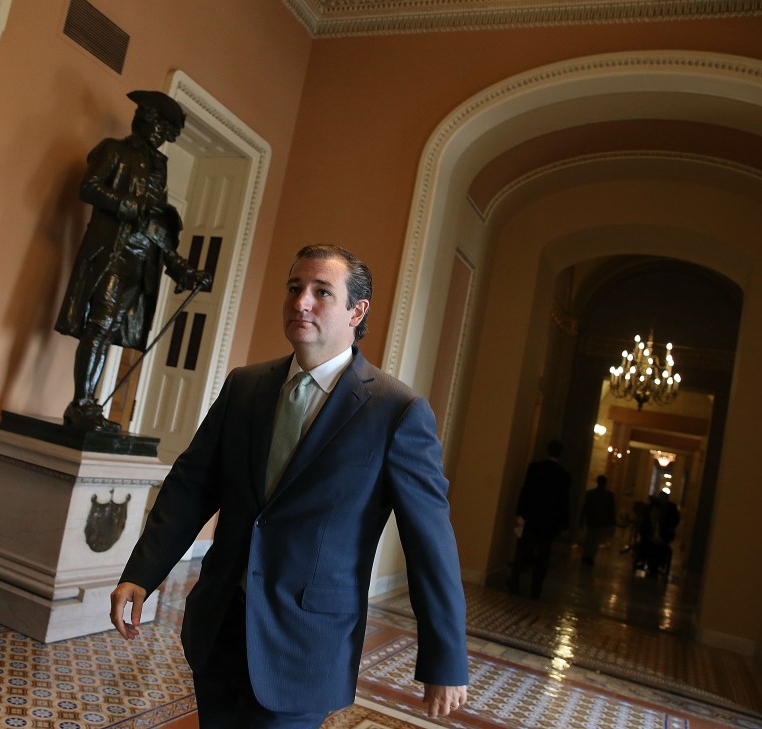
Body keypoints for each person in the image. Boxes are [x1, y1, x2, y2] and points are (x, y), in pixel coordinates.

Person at [109, 244, 468, 727]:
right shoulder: (245, 386)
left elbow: (431, 544)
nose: (301, 302)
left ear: (356, 311)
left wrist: (445, 661)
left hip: (305, 644)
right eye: (295, 288)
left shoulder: (395, 413)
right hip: (218, 627)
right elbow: (192, 485)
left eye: (322, 292)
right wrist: (143, 571)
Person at [54, 90, 210, 432]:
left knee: (109, 330)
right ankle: (81, 405)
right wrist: (130, 205)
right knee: (98, 324)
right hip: (111, 252)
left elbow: (155, 225)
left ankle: (89, 406)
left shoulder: (160, 167)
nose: (161, 135)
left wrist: (178, 265)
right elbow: (89, 187)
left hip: (142, 260)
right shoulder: (114, 150)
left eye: (167, 131)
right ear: (144, 119)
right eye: (159, 125)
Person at [507, 439, 572, 598]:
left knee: (523, 551)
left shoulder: (535, 468)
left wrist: (520, 512)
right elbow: (564, 500)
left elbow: (526, 491)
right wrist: (564, 523)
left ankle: (514, 582)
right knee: (543, 555)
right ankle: (536, 589)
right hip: (549, 521)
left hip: (532, 516)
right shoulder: (564, 475)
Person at [580, 474, 617, 566]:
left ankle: (585, 554)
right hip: (601, 521)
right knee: (596, 539)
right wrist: (612, 522)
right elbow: (611, 509)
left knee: (589, 537)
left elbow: (585, 507)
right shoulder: (609, 495)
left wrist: (581, 519)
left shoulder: (590, 493)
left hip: (591, 518)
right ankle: (591, 556)